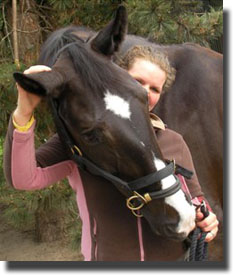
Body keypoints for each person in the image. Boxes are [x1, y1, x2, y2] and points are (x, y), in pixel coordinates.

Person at [3, 46, 219, 261]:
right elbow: (24, 179)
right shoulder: (83, 139)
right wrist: (24, 112)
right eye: (138, 81)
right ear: (118, 79)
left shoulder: (173, 141)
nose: (145, 92)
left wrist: (205, 217)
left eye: (155, 88)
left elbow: (195, 199)